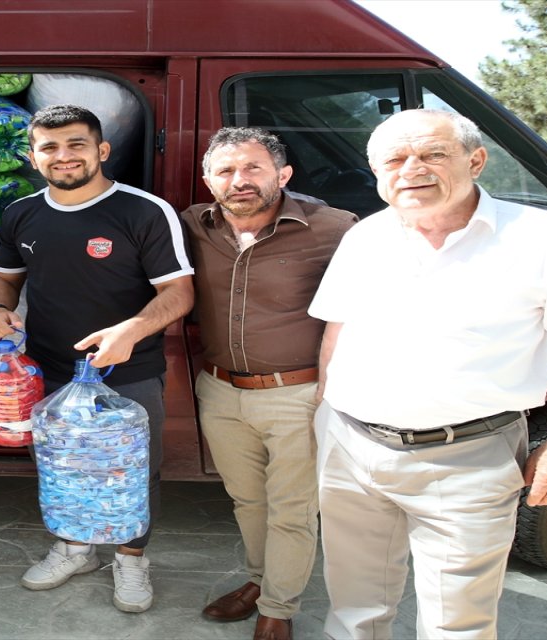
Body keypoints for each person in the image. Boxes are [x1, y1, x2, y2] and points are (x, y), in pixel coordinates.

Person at [310, 109, 547, 639]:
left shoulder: (546, 238)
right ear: (377, 173)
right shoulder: (366, 236)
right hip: (350, 449)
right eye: (395, 160)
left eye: (432, 155)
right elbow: (337, 330)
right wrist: (323, 415)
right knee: (353, 610)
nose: (411, 170)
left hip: (468, 458)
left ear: (476, 160)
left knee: (458, 626)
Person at [0, 104, 194, 613]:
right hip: (47, 371)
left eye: (76, 144)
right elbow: (4, 277)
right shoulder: (21, 213)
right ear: (33, 157)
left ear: (101, 150)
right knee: (59, 467)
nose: (63, 156)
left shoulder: (143, 211)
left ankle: (130, 561)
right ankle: (77, 550)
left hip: (128, 370)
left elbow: (179, 293)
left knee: (132, 474)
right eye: (49, 147)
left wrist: (132, 330)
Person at [181, 127, 357, 640]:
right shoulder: (192, 224)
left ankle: (278, 610)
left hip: (296, 394)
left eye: (254, 168)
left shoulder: (336, 228)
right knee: (247, 501)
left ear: (282, 174)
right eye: (227, 170)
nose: (240, 180)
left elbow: (366, 308)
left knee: (292, 510)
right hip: (218, 390)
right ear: (208, 179)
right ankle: (261, 581)